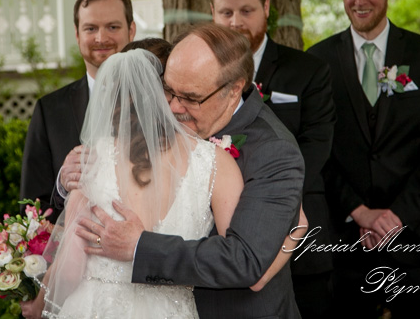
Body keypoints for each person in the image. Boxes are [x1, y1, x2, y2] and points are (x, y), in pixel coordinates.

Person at [76, 24, 306, 318]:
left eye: (191, 97)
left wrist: (140, 247)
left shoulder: (274, 151)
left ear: (234, 89)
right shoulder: (167, 124)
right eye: (169, 91)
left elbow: (246, 261)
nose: (173, 107)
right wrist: (69, 179)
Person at [21, 49, 245, 318]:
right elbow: (237, 256)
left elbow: (70, 268)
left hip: (94, 308)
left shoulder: (91, 160)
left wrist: (39, 304)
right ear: (169, 96)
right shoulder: (214, 161)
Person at [306, 0, 420, 318]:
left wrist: (395, 216)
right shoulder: (317, 61)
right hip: (345, 241)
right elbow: (315, 150)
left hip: (415, 238)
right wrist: (358, 211)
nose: (358, 1)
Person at [210, 0, 336, 316]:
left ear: (266, 8)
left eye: (247, 10)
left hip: (300, 235)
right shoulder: (202, 79)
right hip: (225, 240)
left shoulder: (309, 70)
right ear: (212, 13)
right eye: (226, 12)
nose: (236, 22)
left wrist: (266, 199)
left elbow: (317, 145)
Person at [20, 0, 136, 216]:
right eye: (90, 28)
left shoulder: (158, 101)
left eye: (112, 27)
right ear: (77, 34)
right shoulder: (49, 110)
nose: (101, 38)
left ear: (131, 31)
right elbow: (30, 205)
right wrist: (62, 187)